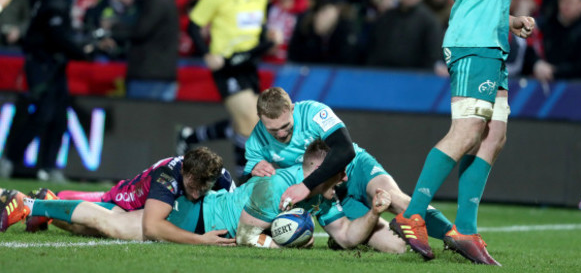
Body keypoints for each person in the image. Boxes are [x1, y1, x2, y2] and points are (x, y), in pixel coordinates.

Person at [388, 0, 581, 265]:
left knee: (493, 135)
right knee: (467, 132)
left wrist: (508, 20)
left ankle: (465, 228)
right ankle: (412, 214)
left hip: (488, 37)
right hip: (474, 44)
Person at [2, 141, 403, 253]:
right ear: (318, 173)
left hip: (203, 211)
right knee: (111, 219)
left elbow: (349, 237)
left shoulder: (315, 196)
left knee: (104, 224)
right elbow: (246, 238)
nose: (343, 181)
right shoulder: (274, 188)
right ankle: (30, 205)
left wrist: (376, 215)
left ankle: (43, 207)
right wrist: (283, 241)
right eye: (337, 174)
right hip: (195, 217)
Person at [245, 87, 453, 246]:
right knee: (395, 246)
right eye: (273, 130)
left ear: (292, 108)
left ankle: (455, 236)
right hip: (328, 195)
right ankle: (340, 242)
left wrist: (306, 186)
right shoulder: (256, 141)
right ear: (261, 120)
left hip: (354, 169)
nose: (281, 134)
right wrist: (257, 173)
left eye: (285, 126)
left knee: (394, 199)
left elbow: (345, 150)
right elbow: (251, 191)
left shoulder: (313, 112)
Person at [178, 0, 279, 178]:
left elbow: (258, 27)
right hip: (227, 65)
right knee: (251, 120)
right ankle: (243, 180)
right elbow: (193, 25)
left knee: (246, 122)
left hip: (250, 63)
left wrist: (270, 37)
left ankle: (192, 137)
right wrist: (206, 53)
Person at [1, 147, 236, 245]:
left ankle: (44, 203)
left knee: (88, 230)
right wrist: (201, 239)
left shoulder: (220, 176)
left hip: (142, 203)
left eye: (202, 189)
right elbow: (153, 227)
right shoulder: (168, 176)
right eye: (192, 186)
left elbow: (234, 204)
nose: (196, 194)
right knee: (96, 223)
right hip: (124, 198)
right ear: (184, 171)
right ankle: (37, 202)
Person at [0, 0, 95, 182]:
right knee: (42, 115)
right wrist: (83, 52)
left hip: (53, 64)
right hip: (43, 65)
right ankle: (10, 159)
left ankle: (48, 167)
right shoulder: (55, 0)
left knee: (59, 117)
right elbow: (57, 36)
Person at [125, 0, 179, 101]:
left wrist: (115, 28)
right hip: (159, 73)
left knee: (142, 119)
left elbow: (140, 31)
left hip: (151, 74)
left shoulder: (158, 1)